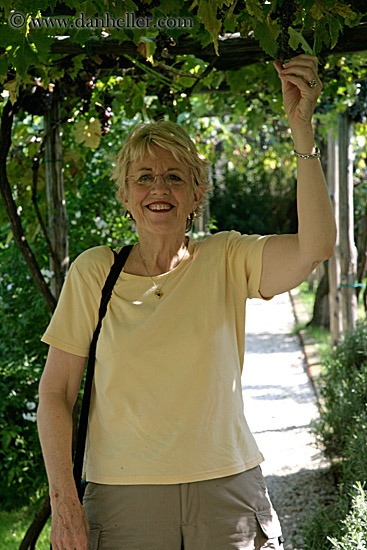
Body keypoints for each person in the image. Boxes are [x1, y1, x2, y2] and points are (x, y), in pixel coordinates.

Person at [37, 55, 336, 550]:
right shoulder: (95, 272)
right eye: (144, 177)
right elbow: (55, 394)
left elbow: (316, 247)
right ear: (126, 196)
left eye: (176, 177)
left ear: (197, 193)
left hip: (226, 490)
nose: (160, 188)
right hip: (122, 497)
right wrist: (64, 500)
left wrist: (301, 132)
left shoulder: (225, 257)